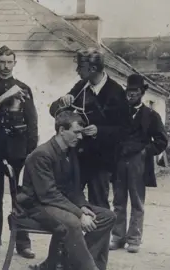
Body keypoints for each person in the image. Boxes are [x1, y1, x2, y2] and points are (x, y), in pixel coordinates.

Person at [19, 111, 116, 270]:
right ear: (62, 130)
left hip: (56, 203)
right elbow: (48, 195)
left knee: (107, 216)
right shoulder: (42, 154)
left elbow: (74, 189)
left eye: (81, 133)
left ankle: (72, 264)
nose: (80, 137)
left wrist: (83, 206)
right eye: (76, 132)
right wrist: (79, 214)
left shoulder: (70, 153)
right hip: (36, 206)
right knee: (73, 222)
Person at [49, 48, 130, 209]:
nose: (77, 71)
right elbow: (57, 114)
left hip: (101, 161)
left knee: (99, 204)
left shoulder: (116, 92)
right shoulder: (80, 87)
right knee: (69, 200)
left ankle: (99, 235)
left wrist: (99, 131)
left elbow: (125, 130)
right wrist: (62, 101)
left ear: (92, 69)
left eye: (80, 67)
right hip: (77, 157)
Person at [0, 45, 37, 258]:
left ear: (15, 63)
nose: (5, 66)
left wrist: (30, 151)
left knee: (20, 198)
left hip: (17, 150)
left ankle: (22, 242)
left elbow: (32, 122)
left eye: (9, 62)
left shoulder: (23, 88)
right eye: (2, 62)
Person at [110, 74, 168, 253]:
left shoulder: (151, 115)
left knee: (137, 201)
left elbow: (161, 140)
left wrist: (145, 152)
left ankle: (134, 239)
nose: (131, 94)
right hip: (119, 161)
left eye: (135, 91)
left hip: (138, 162)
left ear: (142, 93)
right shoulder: (118, 112)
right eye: (129, 91)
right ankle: (117, 237)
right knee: (118, 201)